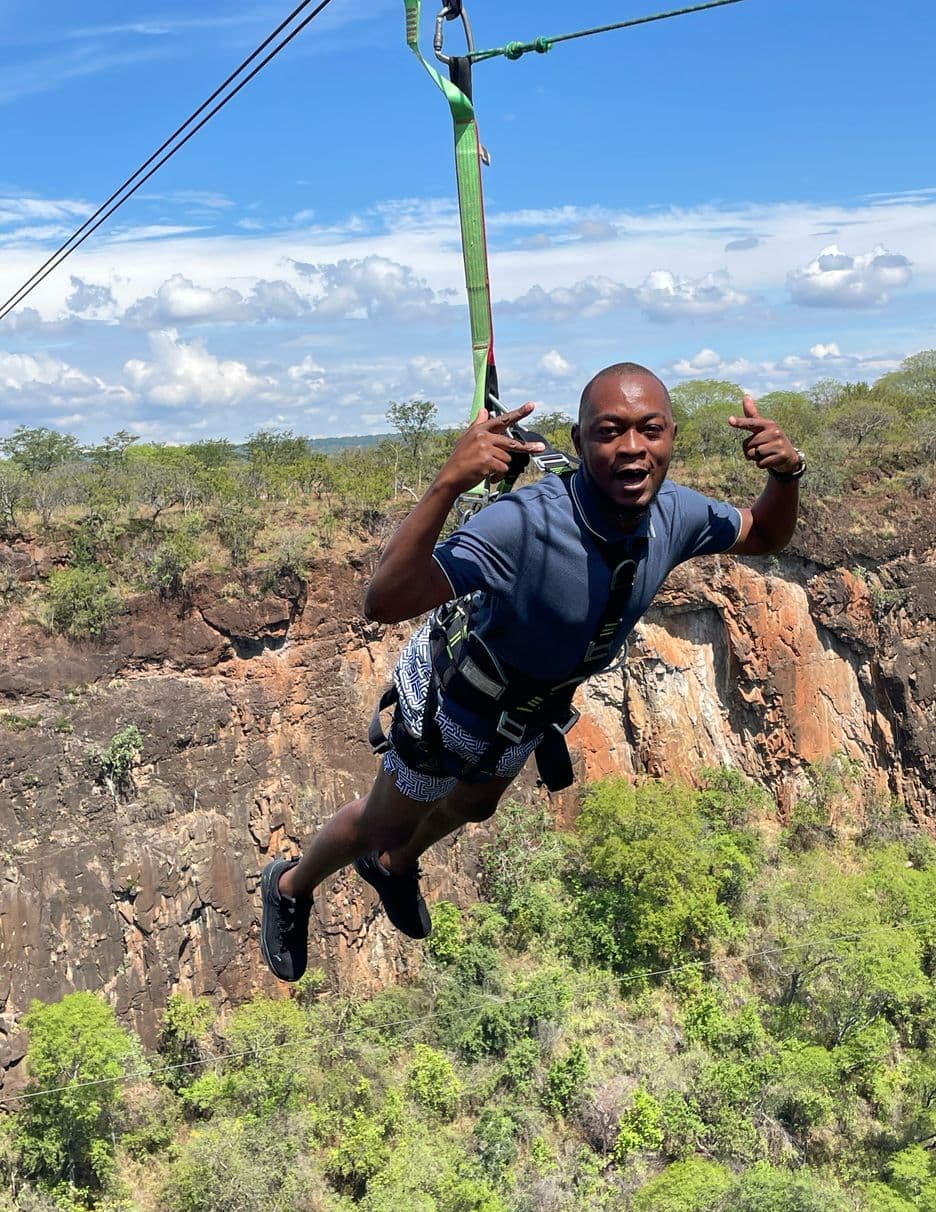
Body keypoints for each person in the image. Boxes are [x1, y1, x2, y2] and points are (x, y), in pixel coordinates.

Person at [259, 362, 804, 981]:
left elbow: (764, 535)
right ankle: (292, 884)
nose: (632, 449)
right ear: (579, 441)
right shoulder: (521, 525)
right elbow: (383, 601)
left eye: (650, 431)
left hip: (529, 708)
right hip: (456, 695)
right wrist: (447, 485)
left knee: (475, 804)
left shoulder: (676, 513)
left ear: (673, 436)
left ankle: (393, 866)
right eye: (609, 432)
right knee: (384, 820)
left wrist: (787, 474)